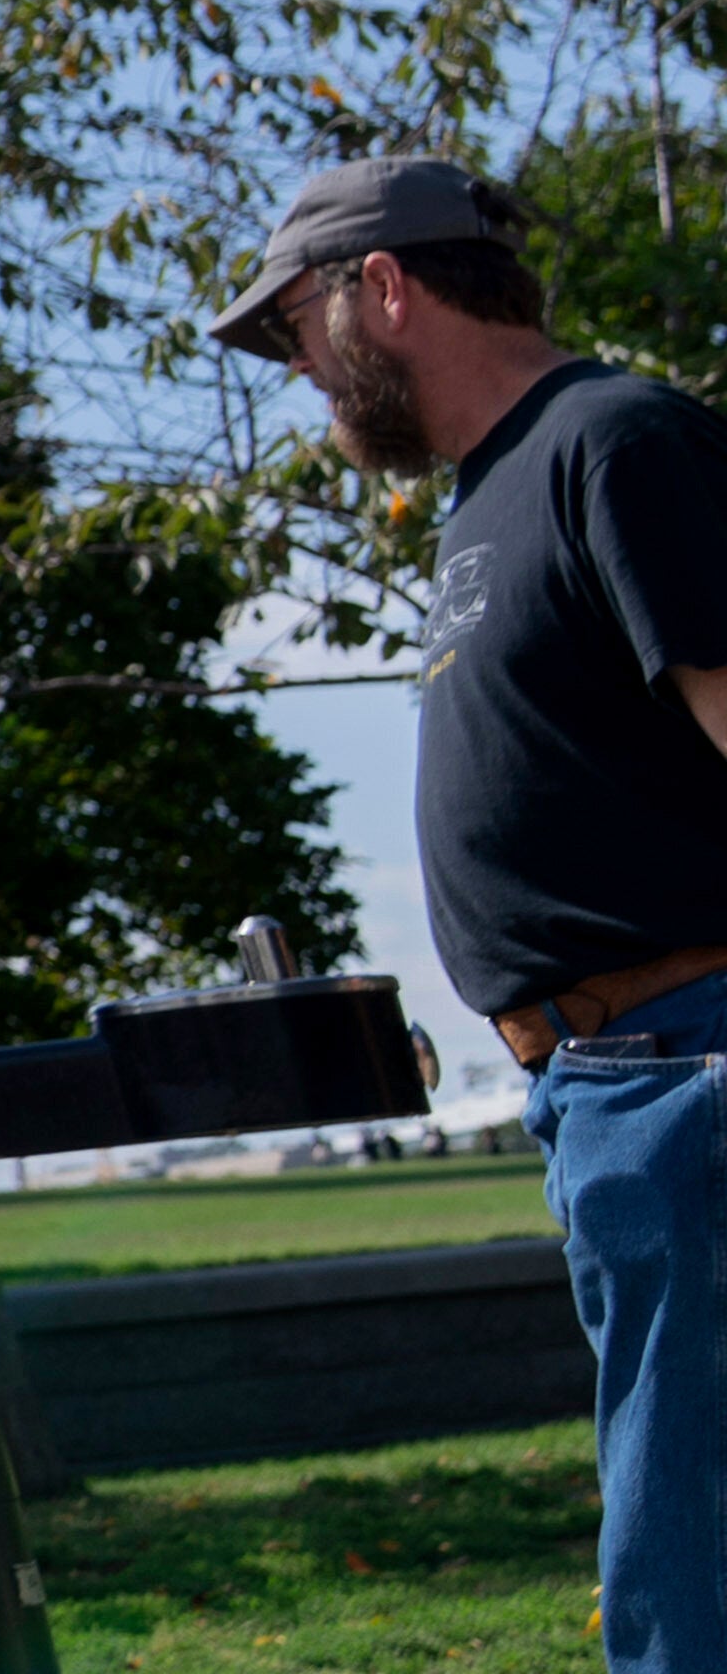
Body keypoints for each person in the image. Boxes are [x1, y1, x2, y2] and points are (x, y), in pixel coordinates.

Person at [214, 155, 727, 1669]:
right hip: (616, 1086)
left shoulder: (617, 440)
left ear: (386, 287)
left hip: (692, 1068)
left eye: (292, 326)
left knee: (686, 1556)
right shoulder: (489, 495)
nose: (298, 369)